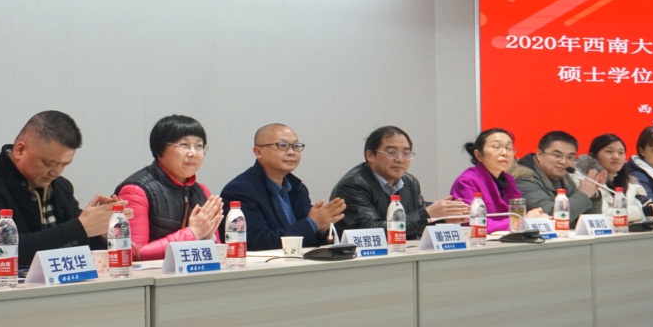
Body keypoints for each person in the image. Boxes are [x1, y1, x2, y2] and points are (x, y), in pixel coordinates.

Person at [0, 111, 115, 268]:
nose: (56, 172)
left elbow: (79, 247)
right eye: (49, 163)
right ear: (20, 150)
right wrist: (80, 228)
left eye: (65, 164)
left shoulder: (61, 187)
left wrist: (100, 231)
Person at [221, 123, 346, 250]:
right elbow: (256, 242)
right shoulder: (240, 191)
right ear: (258, 152)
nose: (291, 152)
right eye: (282, 146)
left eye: (296, 146)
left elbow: (309, 236)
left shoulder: (298, 188)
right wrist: (313, 223)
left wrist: (322, 229)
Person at [115, 115, 223, 261]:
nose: (193, 153)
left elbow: (217, 251)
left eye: (199, 146)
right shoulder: (136, 191)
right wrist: (193, 233)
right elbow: (132, 253)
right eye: (184, 145)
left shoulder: (202, 191)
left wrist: (208, 239)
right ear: (160, 149)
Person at [331, 125, 469, 239]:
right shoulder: (353, 185)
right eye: (391, 152)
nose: (400, 159)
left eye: (406, 153)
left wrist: (443, 218)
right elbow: (372, 232)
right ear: (370, 155)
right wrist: (427, 214)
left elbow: (414, 222)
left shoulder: (410, 182)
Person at [449, 128, 543, 233]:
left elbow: (514, 215)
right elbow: (472, 222)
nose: (505, 153)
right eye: (496, 147)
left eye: (509, 148)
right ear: (478, 155)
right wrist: (521, 220)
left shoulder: (509, 180)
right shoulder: (467, 181)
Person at [512, 130, 603, 227]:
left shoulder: (564, 176)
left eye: (570, 157)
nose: (563, 162)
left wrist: (592, 195)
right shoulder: (523, 178)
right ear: (539, 154)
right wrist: (584, 195)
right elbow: (551, 217)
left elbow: (585, 221)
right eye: (557, 156)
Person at [575, 133, 650, 222]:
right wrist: (645, 211)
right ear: (594, 155)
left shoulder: (630, 184)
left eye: (621, 152)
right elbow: (603, 215)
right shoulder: (582, 179)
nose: (616, 157)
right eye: (609, 151)